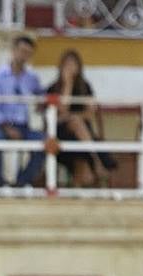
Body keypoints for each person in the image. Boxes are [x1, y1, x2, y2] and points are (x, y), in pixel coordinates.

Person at [45, 48, 115, 188]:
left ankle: (86, 178)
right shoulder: (53, 87)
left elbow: (90, 112)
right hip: (61, 133)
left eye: (73, 64)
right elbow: (61, 111)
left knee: (85, 174)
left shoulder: (85, 87)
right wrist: (68, 85)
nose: (71, 68)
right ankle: (96, 161)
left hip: (83, 133)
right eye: (67, 64)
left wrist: (73, 116)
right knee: (75, 123)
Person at [0, 35, 44, 189]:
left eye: (28, 53)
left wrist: (41, 104)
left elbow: (41, 95)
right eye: (22, 51)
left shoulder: (32, 78)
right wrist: (6, 127)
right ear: (13, 51)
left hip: (23, 126)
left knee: (44, 142)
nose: (24, 56)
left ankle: (21, 182)